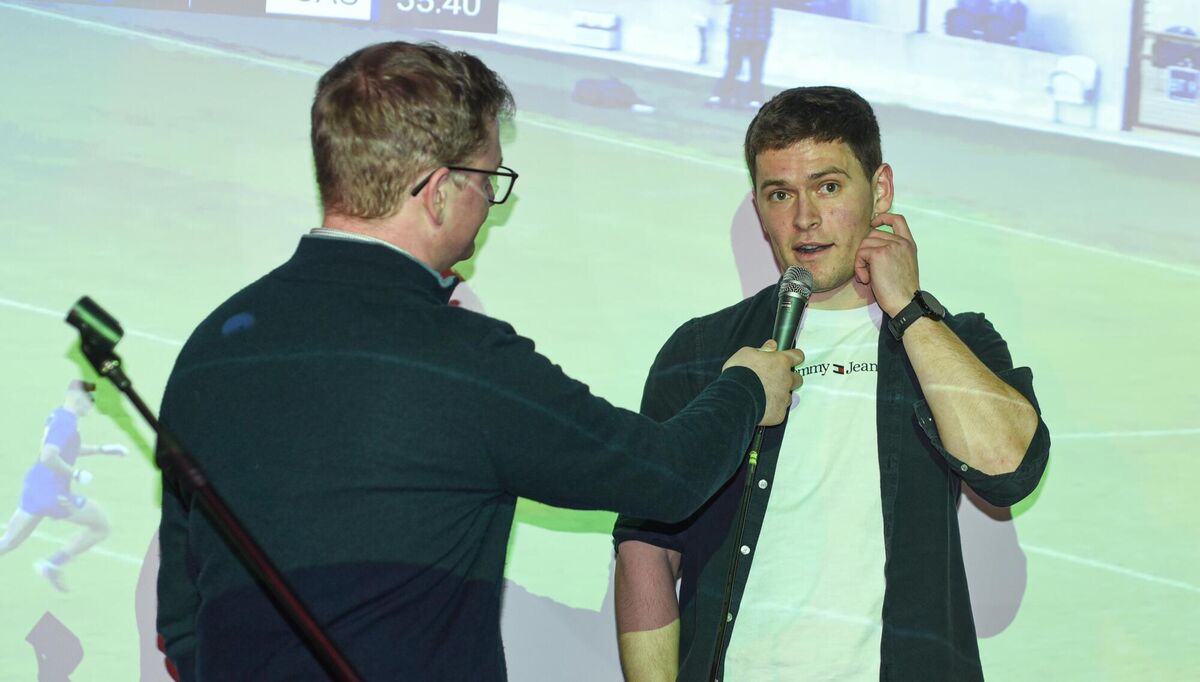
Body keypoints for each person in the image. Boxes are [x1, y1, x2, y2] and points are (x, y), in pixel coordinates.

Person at [154, 41, 804, 681]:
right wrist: (748, 385)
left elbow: (181, 615)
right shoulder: (462, 363)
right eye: (490, 180)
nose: (492, 204)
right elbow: (664, 477)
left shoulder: (211, 350)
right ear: (438, 192)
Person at [613, 86, 1051, 681]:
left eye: (828, 186)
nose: (804, 218)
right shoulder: (698, 351)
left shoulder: (957, 341)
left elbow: (1009, 470)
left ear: (881, 190)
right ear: (760, 209)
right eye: (780, 194)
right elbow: (646, 549)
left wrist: (908, 311)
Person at [0, 379, 127, 592]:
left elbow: (67, 448)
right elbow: (48, 456)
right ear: (79, 398)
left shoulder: (59, 415)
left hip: (34, 486)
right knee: (101, 525)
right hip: (52, 493)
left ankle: (52, 566)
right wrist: (75, 474)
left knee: (10, 542)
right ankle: (52, 565)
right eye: (91, 401)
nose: (92, 406)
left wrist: (103, 449)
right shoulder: (66, 422)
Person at [707, 0, 773, 109]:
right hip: (741, 34)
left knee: (754, 70)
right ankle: (723, 96)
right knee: (733, 67)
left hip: (756, 36)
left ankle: (753, 99)